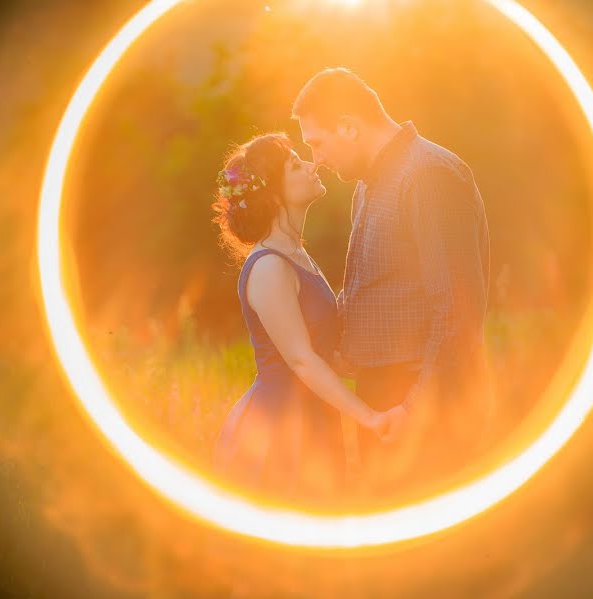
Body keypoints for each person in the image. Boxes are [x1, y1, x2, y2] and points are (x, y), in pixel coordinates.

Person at [292, 67, 493, 496]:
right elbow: (376, 286)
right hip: (383, 398)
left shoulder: (428, 175)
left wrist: (414, 408)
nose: (317, 159)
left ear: (348, 126)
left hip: (425, 402)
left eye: (317, 143)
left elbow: (458, 307)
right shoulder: (369, 184)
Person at [210, 132, 405, 504]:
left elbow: (324, 351)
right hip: (278, 428)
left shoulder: (298, 255)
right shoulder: (269, 266)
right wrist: (369, 417)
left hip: (314, 417)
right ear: (274, 193)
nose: (312, 165)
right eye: (296, 166)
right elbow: (300, 358)